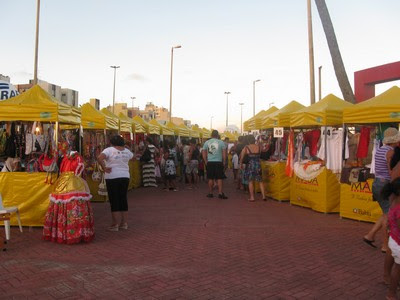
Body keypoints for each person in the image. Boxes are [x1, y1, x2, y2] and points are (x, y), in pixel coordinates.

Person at [43, 151, 94, 243]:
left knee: (61, 201)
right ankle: (76, 232)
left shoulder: (69, 158)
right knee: (74, 202)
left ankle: (62, 232)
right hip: (74, 182)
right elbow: (80, 170)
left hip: (64, 181)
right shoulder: (74, 158)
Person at [364, 128, 400, 251]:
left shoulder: (380, 149)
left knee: (385, 213)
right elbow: (391, 171)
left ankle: (370, 235)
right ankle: (385, 245)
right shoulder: (390, 151)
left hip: (377, 182)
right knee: (389, 215)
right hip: (385, 183)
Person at [97, 135, 133, 231]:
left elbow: (99, 158)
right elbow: (132, 158)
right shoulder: (127, 151)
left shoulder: (109, 150)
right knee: (123, 198)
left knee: (114, 200)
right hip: (125, 176)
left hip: (112, 176)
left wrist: (104, 167)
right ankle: (124, 223)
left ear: (112, 142)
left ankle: (115, 224)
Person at [383, 178, 400, 299]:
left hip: (394, 239)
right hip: (398, 242)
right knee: (398, 268)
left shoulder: (394, 201)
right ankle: (391, 293)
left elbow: (389, 223)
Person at [202, 130, 228, 199]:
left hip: (210, 162)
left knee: (210, 178)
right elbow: (224, 154)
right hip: (219, 162)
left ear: (211, 135)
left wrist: (205, 161)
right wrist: (224, 161)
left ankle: (210, 193)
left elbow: (204, 153)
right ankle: (220, 193)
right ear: (217, 135)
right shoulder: (221, 142)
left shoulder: (207, 142)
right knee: (219, 178)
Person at [240, 134, 266, 202]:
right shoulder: (259, 147)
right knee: (260, 181)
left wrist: (240, 164)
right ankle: (263, 196)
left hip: (250, 165)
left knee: (250, 181)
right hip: (258, 165)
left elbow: (242, 157)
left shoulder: (246, 147)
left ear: (248, 140)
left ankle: (252, 197)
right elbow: (260, 155)